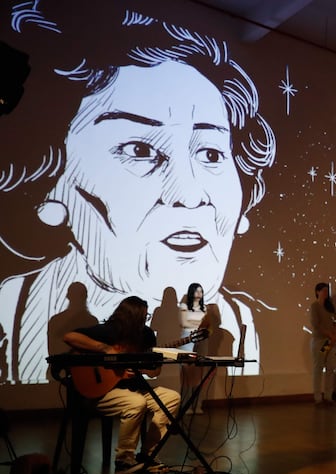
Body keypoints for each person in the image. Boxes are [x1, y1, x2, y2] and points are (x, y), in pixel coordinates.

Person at [0, 1, 276, 384]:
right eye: (140, 150)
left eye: (211, 153)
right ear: (54, 178)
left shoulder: (248, 324)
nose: (190, 194)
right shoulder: (6, 316)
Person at [62, 296, 181, 474]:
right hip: (102, 392)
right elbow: (70, 336)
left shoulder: (146, 335)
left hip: (135, 389)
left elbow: (155, 372)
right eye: (143, 316)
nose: (145, 320)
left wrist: (145, 368)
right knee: (136, 402)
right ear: (131, 316)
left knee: (172, 398)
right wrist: (104, 349)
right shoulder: (110, 331)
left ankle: (148, 455)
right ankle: (124, 460)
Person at [178, 283, 209, 413]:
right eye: (197, 291)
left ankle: (197, 405)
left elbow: (206, 325)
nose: (199, 294)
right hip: (187, 341)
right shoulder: (184, 306)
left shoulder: (204, 308)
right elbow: (184, 323)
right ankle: (185, 405)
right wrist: (198, 324)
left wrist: (196, 324)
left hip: (201, 341)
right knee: (187, 374)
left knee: (198, 375)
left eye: (201, 291)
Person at [309, 282, 336, 406]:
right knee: (318, 368)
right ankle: (318, 397)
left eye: (327, 291)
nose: (326, 293)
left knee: (330, 367)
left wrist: (334, 335)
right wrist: (329, 334)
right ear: (317, 292)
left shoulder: (330, 307)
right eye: (324, 291)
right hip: (320, 341)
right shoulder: (315, 306)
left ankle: (328, 396)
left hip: (330, 342)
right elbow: (316, 324)